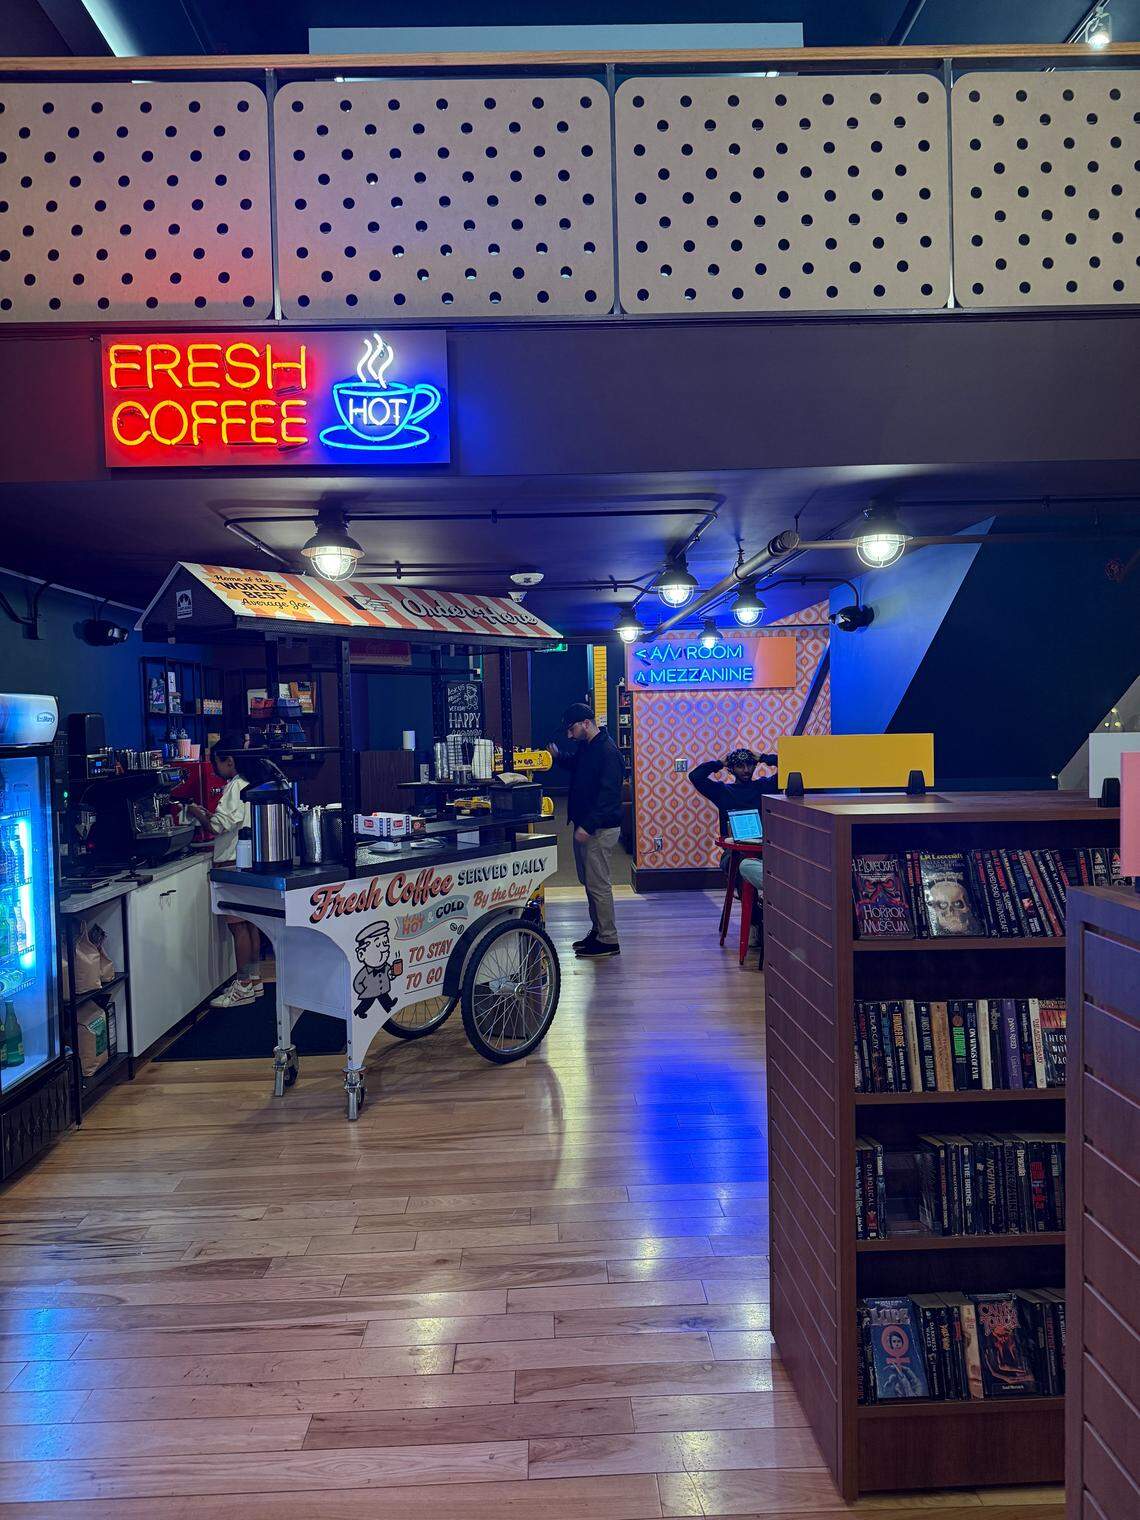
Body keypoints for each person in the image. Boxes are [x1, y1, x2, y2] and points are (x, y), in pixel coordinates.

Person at [186, 732, 263, 1008]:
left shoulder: (235, 788)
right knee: (251, 924)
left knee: (238, 928)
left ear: (228, 761)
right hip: (248, 862)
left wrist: (195, 812)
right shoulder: (250, 785)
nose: (214, 769)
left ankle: (242, 986)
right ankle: (253, 979)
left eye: (215, 763)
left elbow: (216, 826)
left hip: (231, 864)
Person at [548, 702, 625, 959]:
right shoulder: (589, 747)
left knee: (598, 885)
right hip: (587, 826)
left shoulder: (608, 752)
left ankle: (608, 939)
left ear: (585, 723)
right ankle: (598, 931)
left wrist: (588, 826)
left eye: (572, 729)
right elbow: (577, 768)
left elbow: (609, 797)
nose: (569, 735)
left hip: (598, 829)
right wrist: (558, 757)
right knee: (590, 883)